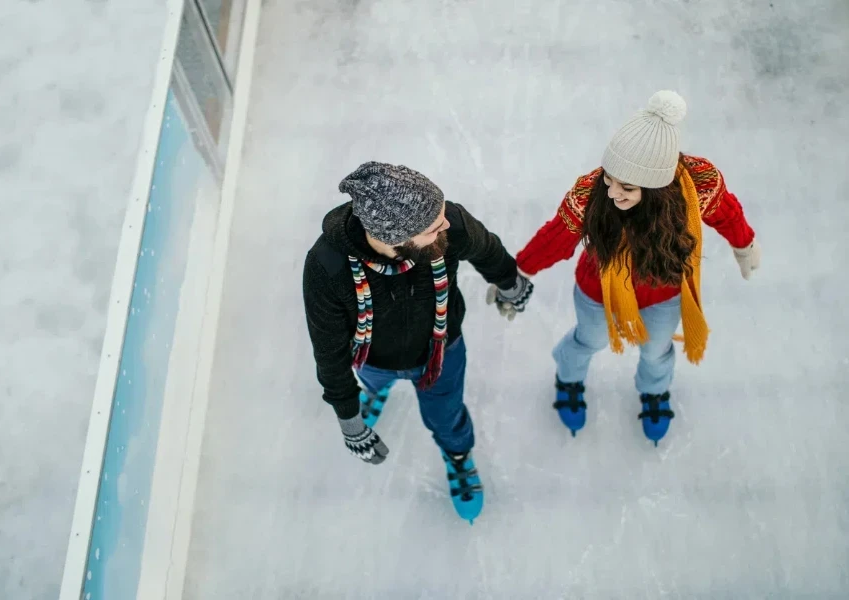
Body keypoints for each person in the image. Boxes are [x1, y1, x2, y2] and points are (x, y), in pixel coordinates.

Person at [515, 90, 761, 445]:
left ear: (657, 187)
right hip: (598, 290)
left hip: (664, 293)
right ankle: (569, 380)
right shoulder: (591, 193)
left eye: (627, 187)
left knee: (656, 349)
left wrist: (744, 244)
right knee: (589, 340)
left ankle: (654, 393)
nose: (613, 193)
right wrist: (520, 270)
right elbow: (557, 236)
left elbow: (726, 213)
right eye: (609, 179)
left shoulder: (695, 187)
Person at [302, 161, 533, 522]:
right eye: (431, 228)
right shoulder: (328, 268)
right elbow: (328, 351)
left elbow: (486, 249)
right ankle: (374, 394)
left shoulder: (447, 223)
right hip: (373, 358)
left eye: (441, 216)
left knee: (447, 416)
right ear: (393, 238)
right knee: (373, 383)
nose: (446, 225)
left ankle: (457, 456)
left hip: (441, 351)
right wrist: (350, 422)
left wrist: (510, 283)